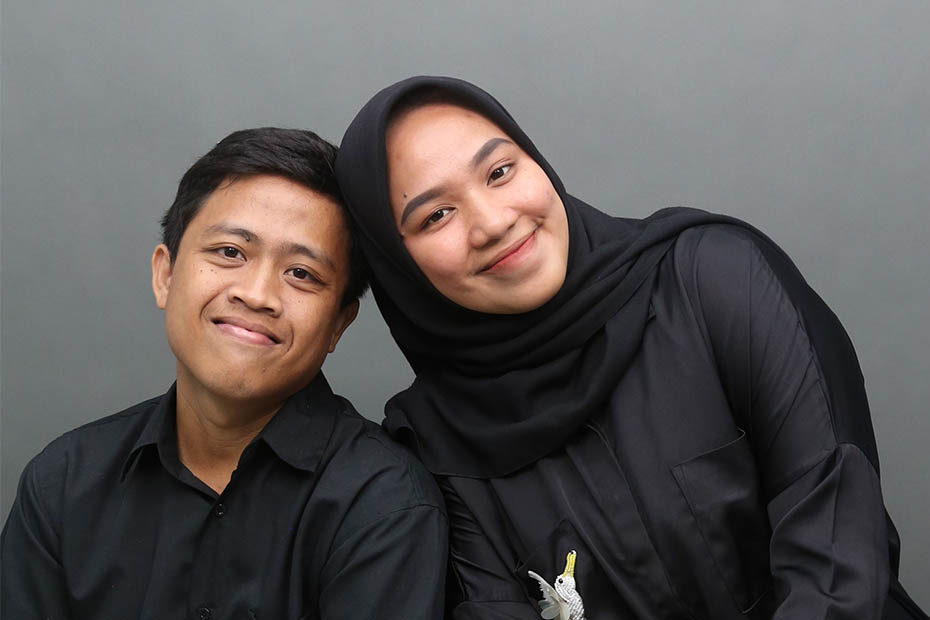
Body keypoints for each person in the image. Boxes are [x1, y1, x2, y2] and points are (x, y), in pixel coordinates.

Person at [334, 76, 928, 620]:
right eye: (436, 215)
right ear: (396, 262)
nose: (492, 221)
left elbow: (836, 549)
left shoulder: (712, 279)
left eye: (500, 172)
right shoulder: (434, 447)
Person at [1, 128, 447, 619]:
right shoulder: (64, 482)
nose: (256, 294)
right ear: (165, 275)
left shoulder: (385, 506)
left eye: (301, 273)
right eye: (230, 252)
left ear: (338, 324)